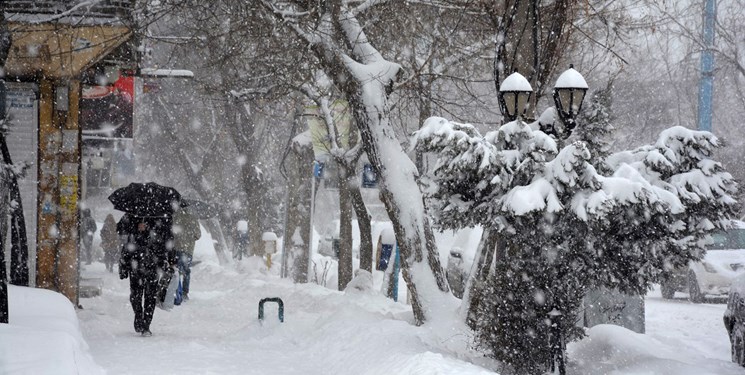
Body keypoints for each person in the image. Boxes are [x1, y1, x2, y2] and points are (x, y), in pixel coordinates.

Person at [118, 213, 175, 336]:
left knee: (150, 295)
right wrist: (136, 226)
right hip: (136, 262)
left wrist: (171, 260)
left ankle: (146, 325)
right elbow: (121, 229)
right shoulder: (134, 212)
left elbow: (168, 238)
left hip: (153, 263)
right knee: (136, 294)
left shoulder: (162, 215)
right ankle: (139, 315)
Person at [172, 207, 201, 301]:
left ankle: (176, 291)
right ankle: (185, 293)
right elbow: (198, 235)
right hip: (188, 249)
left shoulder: (175, 217)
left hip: (176, 248)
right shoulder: (193, 219)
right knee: (186, 271)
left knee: (175, 270)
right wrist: (190, 237)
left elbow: (171, 232)